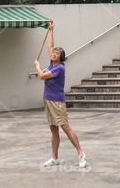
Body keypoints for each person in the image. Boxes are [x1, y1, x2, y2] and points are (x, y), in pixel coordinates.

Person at [34, 19, 87, 168]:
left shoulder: (60, 68)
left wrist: (38, 67)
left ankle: (81, 153)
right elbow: (50, 46)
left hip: (57, 102)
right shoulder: (52, 63)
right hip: (47, 100)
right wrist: (51, 30)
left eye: (56, 54)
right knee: (53, 129)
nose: (53, 54)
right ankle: (54, 157)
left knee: (65, 127)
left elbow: (42, 76)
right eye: (53, 53)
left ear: (60, 57)